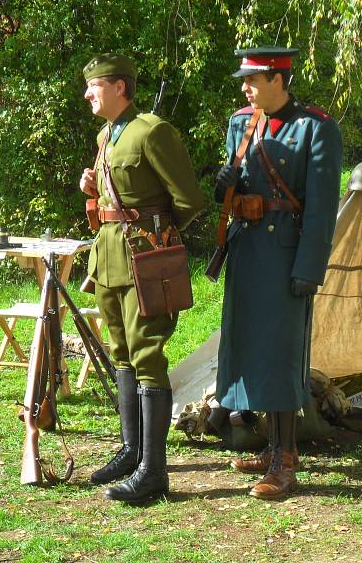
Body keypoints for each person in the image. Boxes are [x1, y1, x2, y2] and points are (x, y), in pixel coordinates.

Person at [214, 47, 343, 500]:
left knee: (282, 355)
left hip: (286, 255)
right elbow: (234, 193)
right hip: (247, 252)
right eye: (244, 81)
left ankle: (284, 463)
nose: (245, 88)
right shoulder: (240, 123)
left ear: (277, 78)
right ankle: (269, 447)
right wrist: (223, 183)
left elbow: (324, 208)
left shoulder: (316, 128)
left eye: (252, 80)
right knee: (250, 350)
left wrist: (310, 267)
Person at [79, 53, 205, 502]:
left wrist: (160, 236)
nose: (88, 94)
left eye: (95, 86)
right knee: (122, 354)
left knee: (147, 353)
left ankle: (154, 473)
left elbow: (188, 198)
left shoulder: (152, 131)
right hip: (109, 255)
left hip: (145, 257)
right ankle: (132, 452)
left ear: (118, 88)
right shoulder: (106, 135)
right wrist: (91, 188)